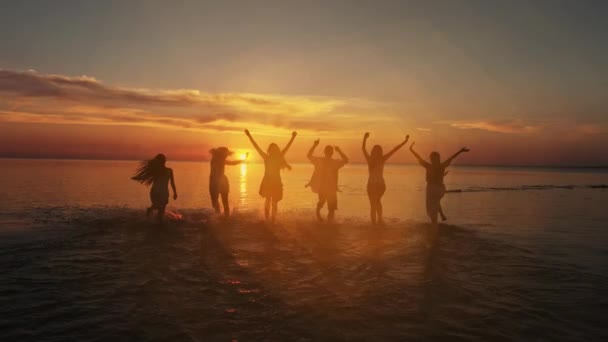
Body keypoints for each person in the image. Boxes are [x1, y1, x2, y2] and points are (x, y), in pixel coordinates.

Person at [409, 142, 469, 226]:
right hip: (440, 189)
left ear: (431, 159)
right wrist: (461, 151)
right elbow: (452, 157)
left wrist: (411, 149)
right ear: (438, 158)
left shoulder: (428, 166)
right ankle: (441, 215)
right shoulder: (442, 165)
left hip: (431, 189)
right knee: (436, 201)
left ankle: (434, 225)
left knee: (431, 208)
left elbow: (418, 157)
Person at [244, 129, 297, 223]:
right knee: (268, 200)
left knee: (274, 202)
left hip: (275, 182)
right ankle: (268, 218)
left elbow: (287, 147)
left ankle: (272, 219)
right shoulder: (266, 157)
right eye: (271, 149)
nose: (272, 151)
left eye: (274, 149)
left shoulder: (278, 156)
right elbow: (256, 147)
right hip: (268, 182)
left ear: (275, 150)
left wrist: (293, 137)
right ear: (270, 150)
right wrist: (249, 136)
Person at [362, 132, 409, 224]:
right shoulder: (369, 159)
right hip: (371, 185)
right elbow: (363, 149)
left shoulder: (382, 159)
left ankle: (379, 220)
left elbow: (394, 149)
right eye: (374, 150)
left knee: (375, 202)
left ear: (380, 152)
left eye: (378, 151)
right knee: (374, 203)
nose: (376, 152)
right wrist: (365, 138)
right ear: (372, 151)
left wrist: (405, 141)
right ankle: (375, 223)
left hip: (380, 185)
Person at [307, 139, 348, 222]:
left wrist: (339, 150)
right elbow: (309, 156)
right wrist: (314, 145)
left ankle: (330, 222)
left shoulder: (334, 162)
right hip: (322, 187)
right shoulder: (320, 161)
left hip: (332, 188)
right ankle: (318, 213)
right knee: (321, 202)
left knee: (331, 208)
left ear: (331, 153)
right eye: (327, 151)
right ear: (325, 152)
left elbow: (346, 160)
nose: (328, 152)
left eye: (330, 151)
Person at [131, 153, 177, 222]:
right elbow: (172, 183)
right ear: (164, 161)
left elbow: (145, 177)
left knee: (158, 208)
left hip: (157, 192)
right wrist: (175, 193)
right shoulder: (167, 170)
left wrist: (137, 178)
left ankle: (153, 218)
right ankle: (156, 221)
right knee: (160, 209)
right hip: (162, 193)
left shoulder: (160, 171)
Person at [209, 147, 244, 217]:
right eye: (225, 155)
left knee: (219, 202)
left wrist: (241, 160)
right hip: (217, 181)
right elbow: (232, 163)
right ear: (221, 154)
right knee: (217, 202)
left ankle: (222, 216)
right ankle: (221, 216)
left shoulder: (218, 159)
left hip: (219, 181)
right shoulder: (218, 160)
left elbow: (232, 163)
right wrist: (242, 160)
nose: (226, 156)